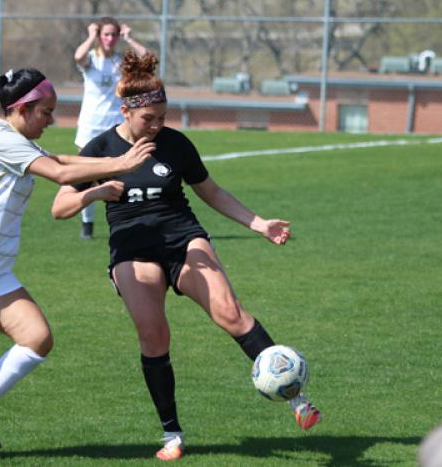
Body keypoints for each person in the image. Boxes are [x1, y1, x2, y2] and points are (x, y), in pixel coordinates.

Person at [52, 51, 321, 461]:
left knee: (231, 313)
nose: (158, 125)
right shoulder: (101, 148)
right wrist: (97, 190)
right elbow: (59, 207)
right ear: (126, 111)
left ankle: (296, 400)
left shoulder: (175, 144)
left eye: (163, 116)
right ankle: (171, 433)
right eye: (150, 119)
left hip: (182, 237)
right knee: (154, 334)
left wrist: (258, 223)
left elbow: (210, 192)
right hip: (132, 249)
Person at [0, 67, 155, 450]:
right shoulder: (0, 137)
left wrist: (113, 170)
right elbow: (58, 173)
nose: (52, 120)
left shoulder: (14, 139)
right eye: (46, 112)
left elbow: (62, 159)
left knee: (37, 338)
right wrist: (121, 164)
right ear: (22, 108)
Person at [74, 17, 148, 239]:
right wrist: (90, 36)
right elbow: (78, 57)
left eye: (113, 35)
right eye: (105, 34)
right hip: (89, 127)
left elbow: (146, 59)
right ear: (99, 36)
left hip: (114, 127)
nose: (109, 39)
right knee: (86, 177)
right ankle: (87, 224)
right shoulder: (91, 60)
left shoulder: (120, 62)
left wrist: (129, 38)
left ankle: (127, 222)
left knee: (125, 175)